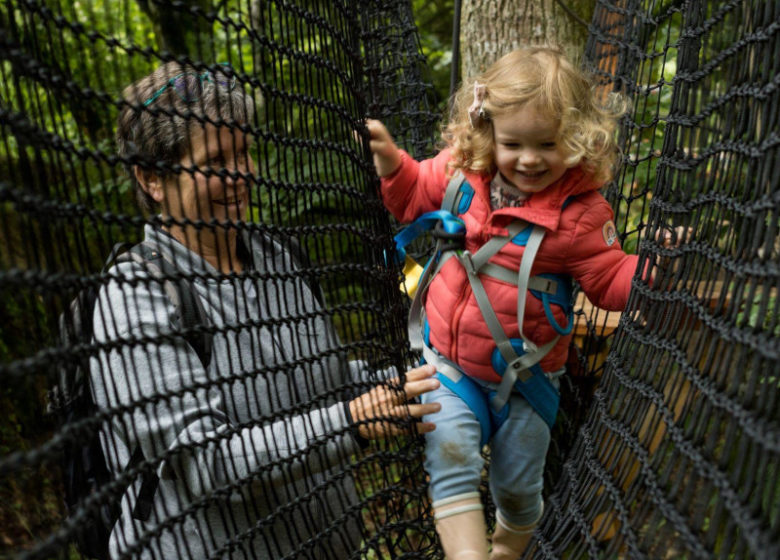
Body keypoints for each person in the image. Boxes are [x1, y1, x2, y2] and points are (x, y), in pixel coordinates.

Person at [91, 61, 441, 559]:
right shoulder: (134, 297)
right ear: (152, 178)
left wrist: (440, 370)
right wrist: (352, 422)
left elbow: (326, 380)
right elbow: (204, 464)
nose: (241, 174)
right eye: (216, 161)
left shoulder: (279, 257)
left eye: (245, 152)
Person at [366, 47, 642, 559]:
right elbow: (411, 195)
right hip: (450, 367)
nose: (530, 159)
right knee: (450, 458)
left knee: (517, 492)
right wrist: (392, 163)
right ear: (487, 131)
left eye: (548, 144)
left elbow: (608, 279)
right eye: (513, 143)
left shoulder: (581, 216)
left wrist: (648, 272)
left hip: (527, 383)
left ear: (578, 140)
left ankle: (508, 550)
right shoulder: (461, 174)